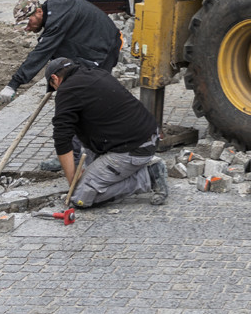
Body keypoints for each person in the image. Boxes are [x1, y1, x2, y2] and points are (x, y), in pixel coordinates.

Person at [0, 0, 124, 169]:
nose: (27, 29)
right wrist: (54, 85)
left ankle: (77, 156)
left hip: (101, 52)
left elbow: (43, 52)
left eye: (27, 22)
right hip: (91, 47)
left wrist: (13, 84)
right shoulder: (56, 13)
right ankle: (76, 155)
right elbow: (59, 53)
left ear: (39, 11)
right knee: (75, 104)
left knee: (80, 104)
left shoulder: (58, 17)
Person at [45, 58, 168, 207]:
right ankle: (112, 174)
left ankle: (148, 176)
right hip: (144, 135)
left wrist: (72, 181)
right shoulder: (94, 73)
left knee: (80, 196)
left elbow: (62, 139)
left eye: (54, 87)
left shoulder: (67, 91)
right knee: (82, 132)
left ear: (55, 78)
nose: (57, 91)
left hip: (135, 148)